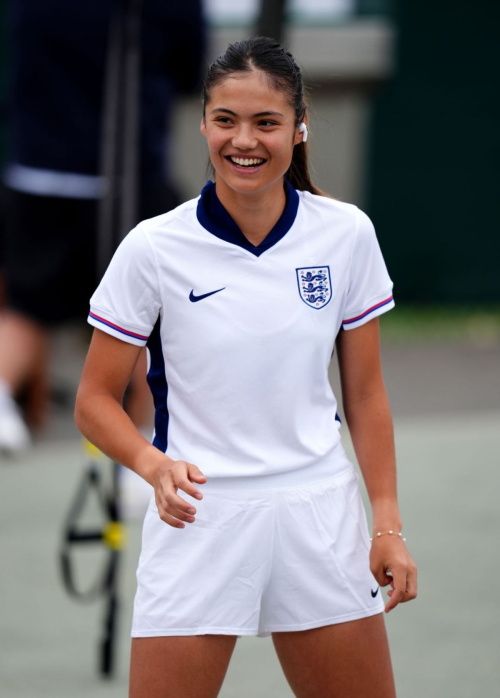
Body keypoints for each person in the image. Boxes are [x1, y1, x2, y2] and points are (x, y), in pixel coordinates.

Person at [75, 37, 417, 698]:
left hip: (319, 517)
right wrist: (155, 467)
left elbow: (367, 397)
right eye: (226, 120)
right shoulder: (153, 248)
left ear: (299, 128)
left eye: (266, 122)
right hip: (199, 521)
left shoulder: (346, 234)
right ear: (203, 123)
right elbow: (94, 400)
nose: (245, 141)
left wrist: (386, 525)